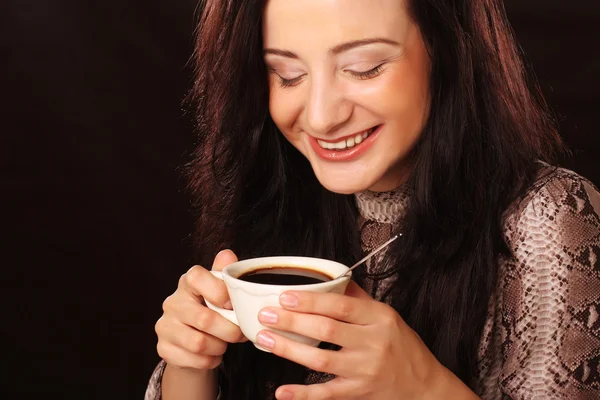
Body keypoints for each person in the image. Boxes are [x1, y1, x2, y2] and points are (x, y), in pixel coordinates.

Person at [145, 0, 600, 399]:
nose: (322, 118)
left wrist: (424, 388)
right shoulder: (269, 196)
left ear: (448, 52)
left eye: (364, 67)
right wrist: (191, 364)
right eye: (288, 75)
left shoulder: (546, 219)